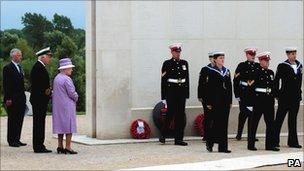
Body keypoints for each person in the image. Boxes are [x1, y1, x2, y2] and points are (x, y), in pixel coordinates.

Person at [247, 52, 279, 151]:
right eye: (265, 61)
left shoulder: (270, 73)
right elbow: (250, 88)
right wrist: (250, 103)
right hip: (258, 101)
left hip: (269, 101)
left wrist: (275, 96)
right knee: (254, 123)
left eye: (268, 61)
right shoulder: (255, 72)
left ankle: (269, 145)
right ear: (260, 61)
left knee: (270, 123)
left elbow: (274, 86)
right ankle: (251, 144)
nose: (267, 63)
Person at [159, 43, 189, 146]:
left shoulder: (184, 63)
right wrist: (163, 97)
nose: (178, 53)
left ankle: (179, 139)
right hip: (171, 92)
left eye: (179, 52)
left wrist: (186, 94)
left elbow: (187, 79)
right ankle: (163, 135)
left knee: (180, 116)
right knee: (170, 114)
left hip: (181, 92)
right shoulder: (167, 63)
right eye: (176, 52)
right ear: (172, 52)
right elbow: (163, 81)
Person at [273, 47, 302, 148]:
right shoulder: (282, 66)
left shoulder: (299, 65)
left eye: (295, 53)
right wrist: (276, 94)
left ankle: (293, 142)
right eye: (292, 54)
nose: (294, 55)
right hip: (284, 98)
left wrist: (299, 93)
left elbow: (299, 81)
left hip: (295, 98)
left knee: (292, 120)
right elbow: (276, 80)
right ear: (288, 55)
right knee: (279, 119)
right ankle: (274, 141)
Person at [204, 51, 232, 153]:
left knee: (224, 124)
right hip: (215, 102)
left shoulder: (227, 71)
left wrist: (230, 101)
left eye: (223, 58)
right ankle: (210, 143)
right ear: (215, 60)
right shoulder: (211, 71)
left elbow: (229, 87)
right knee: (214, 124)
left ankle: (223, 147)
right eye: (220, 58)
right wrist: (208, 102)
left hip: (224, 102)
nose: (222, 60)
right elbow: (208, 88)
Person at [52, 58, 78, 154]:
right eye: (70, 68)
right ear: (65, 69)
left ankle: (60, 145)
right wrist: (76, 97)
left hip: (58, 106)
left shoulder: (57, 78)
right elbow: (72, 93)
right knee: (69, 126)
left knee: (60, 126)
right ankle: (68, 147)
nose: (71, 70)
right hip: (67, 106)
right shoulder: (67, 79)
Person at [233, 47, 260, 141]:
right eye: (251, 54)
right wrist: (237, 94)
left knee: (253, 114)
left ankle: (251, 135)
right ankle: (239, 133)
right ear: (247, 55)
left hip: (254, 94)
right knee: (243, 114)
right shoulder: (242, 65)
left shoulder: (257, 66)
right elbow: (236, 80)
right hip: (244, 93)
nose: (253, 56)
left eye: (254, 55)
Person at [2, 48, 27, 147]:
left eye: (20, 55)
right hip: (12, 98)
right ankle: (11, 140)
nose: (20, 57)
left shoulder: (20, 67)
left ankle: (17, 138)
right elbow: (6, 84)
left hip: (21, 98)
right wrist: (8, 98)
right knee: (13, 119)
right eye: (19, 55)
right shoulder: (8, 68)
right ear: (13, 56)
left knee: (19, 119)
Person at [30, 47, 52, 153]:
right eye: (48, 57)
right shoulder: (38, 67)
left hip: (40, 100)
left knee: (39, 123)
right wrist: (48, 93)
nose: (49, 59)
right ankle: (38, 146)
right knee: (39, 123)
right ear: (42, 57)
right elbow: (38, 86)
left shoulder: (39, 66)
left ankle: (39, 145)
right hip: (39, 101)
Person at [198, 51, 214, 141]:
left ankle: (214, 134)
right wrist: (200, 95)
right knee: (208, 116)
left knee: (215, 116)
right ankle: (206, 135)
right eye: (211, 58)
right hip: (206, 97)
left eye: (214, 58)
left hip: (216, 97)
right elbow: (201, 83)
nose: (213, 60)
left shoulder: (219, 69)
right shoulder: (205, 69)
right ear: (209, 59)